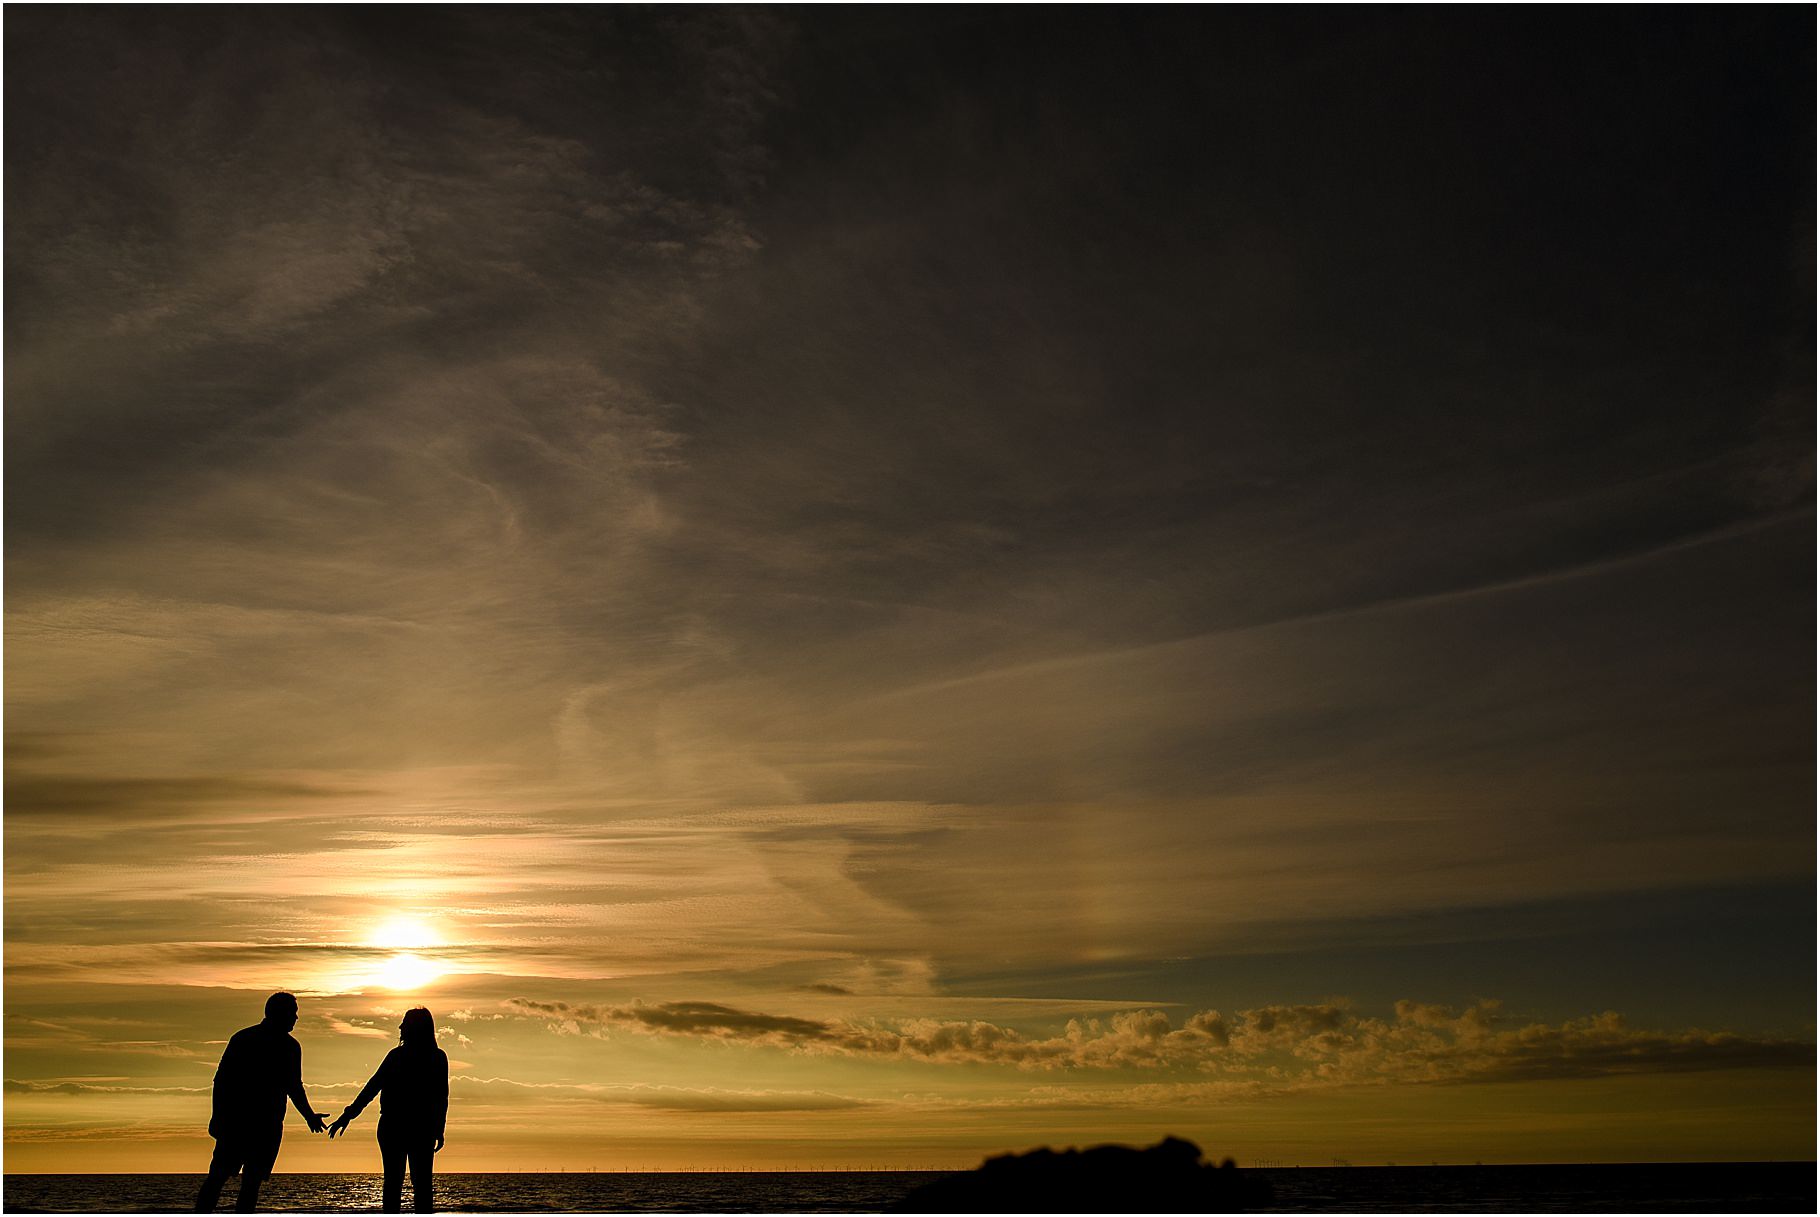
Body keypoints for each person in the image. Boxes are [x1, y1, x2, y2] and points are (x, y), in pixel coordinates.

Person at [195, 992, 329, 1212]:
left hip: (263, 1125)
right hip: (241, 1124)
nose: (296, 1018)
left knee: (244, 1181)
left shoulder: (283, 1045)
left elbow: (293, 1086)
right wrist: (217, 1116)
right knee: (223, 1179)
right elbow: (222, 1081)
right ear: (279, 1013)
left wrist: (309, 1116)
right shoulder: (248, 1040)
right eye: (293, 1013)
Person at [329, 1007, 450, 1213]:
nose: (400, 1027)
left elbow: (440, 1096)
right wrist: (348, 1114)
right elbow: (373, 1087)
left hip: (403, 1126)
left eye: (405, 1023)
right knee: (417, 1184)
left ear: (415, 1028)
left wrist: (438, 1128)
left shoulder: (404, 1056)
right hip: (411, 1127)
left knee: (399, 1183)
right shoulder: (433, 1057)